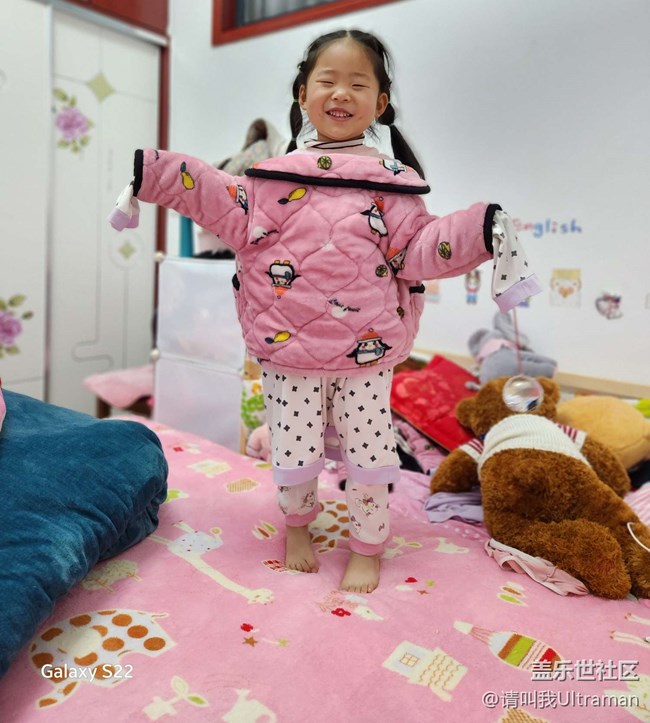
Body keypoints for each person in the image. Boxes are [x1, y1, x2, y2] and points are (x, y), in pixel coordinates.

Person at [110, 29, 516, 593]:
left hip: (366, 354)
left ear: (381, 103)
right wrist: (153, 173)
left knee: (370, 457)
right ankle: (297, 529)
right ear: (303, 94)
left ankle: (367, 545)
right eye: (327, 80)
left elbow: (422, 249)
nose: (340, 93)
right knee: (292, 450)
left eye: (358, 84)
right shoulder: (270, 182)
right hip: (288, 352)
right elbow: (209, 192)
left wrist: (480, 228)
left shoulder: (393, 189)